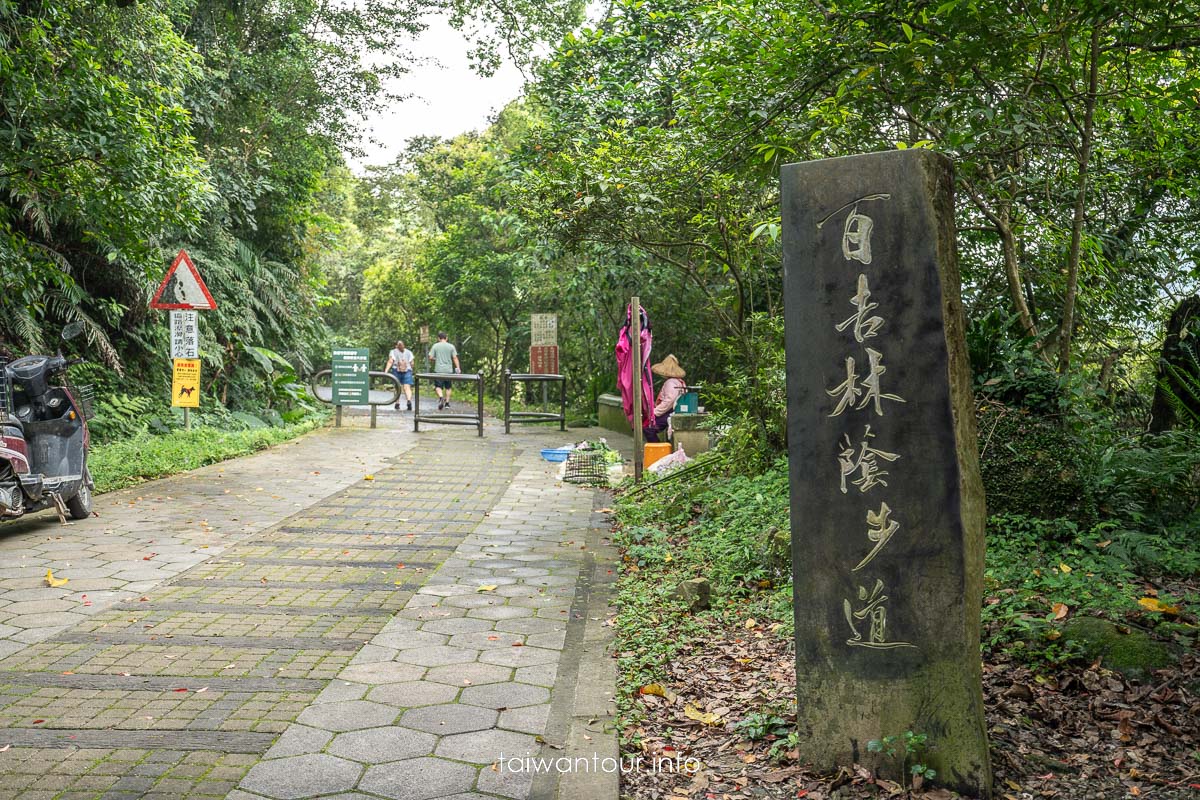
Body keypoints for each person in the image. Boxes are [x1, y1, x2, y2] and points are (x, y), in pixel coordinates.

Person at [644, 354, 687, 443]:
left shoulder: (670, 382)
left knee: (648, 429)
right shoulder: (680, 382)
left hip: (670, 412)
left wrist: (655, 413)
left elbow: (669, 401)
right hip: (675, 411)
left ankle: (658, 450)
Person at [427, 332, 461, 410]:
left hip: (438, 370)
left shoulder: (435, 346)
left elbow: (430, 357)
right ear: (446, 338)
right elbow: (455, 358)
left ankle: (441, 397)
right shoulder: (451, 346)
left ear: (438, 338)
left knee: (438, 387)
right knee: (448, 387)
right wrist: (458, 367)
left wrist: (436, 359)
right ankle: (447, 403)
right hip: (448, 370)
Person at [384, 340, 415, 410]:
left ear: (396, 346)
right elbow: (412, 363)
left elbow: (390, 361)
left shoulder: (393, 352)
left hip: (396, 370)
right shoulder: (409, 352)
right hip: (407, 370)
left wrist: (386, 371)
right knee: (407, 387)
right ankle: (409, 400)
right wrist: (411, 369)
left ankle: (397, 403)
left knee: (397, 387)